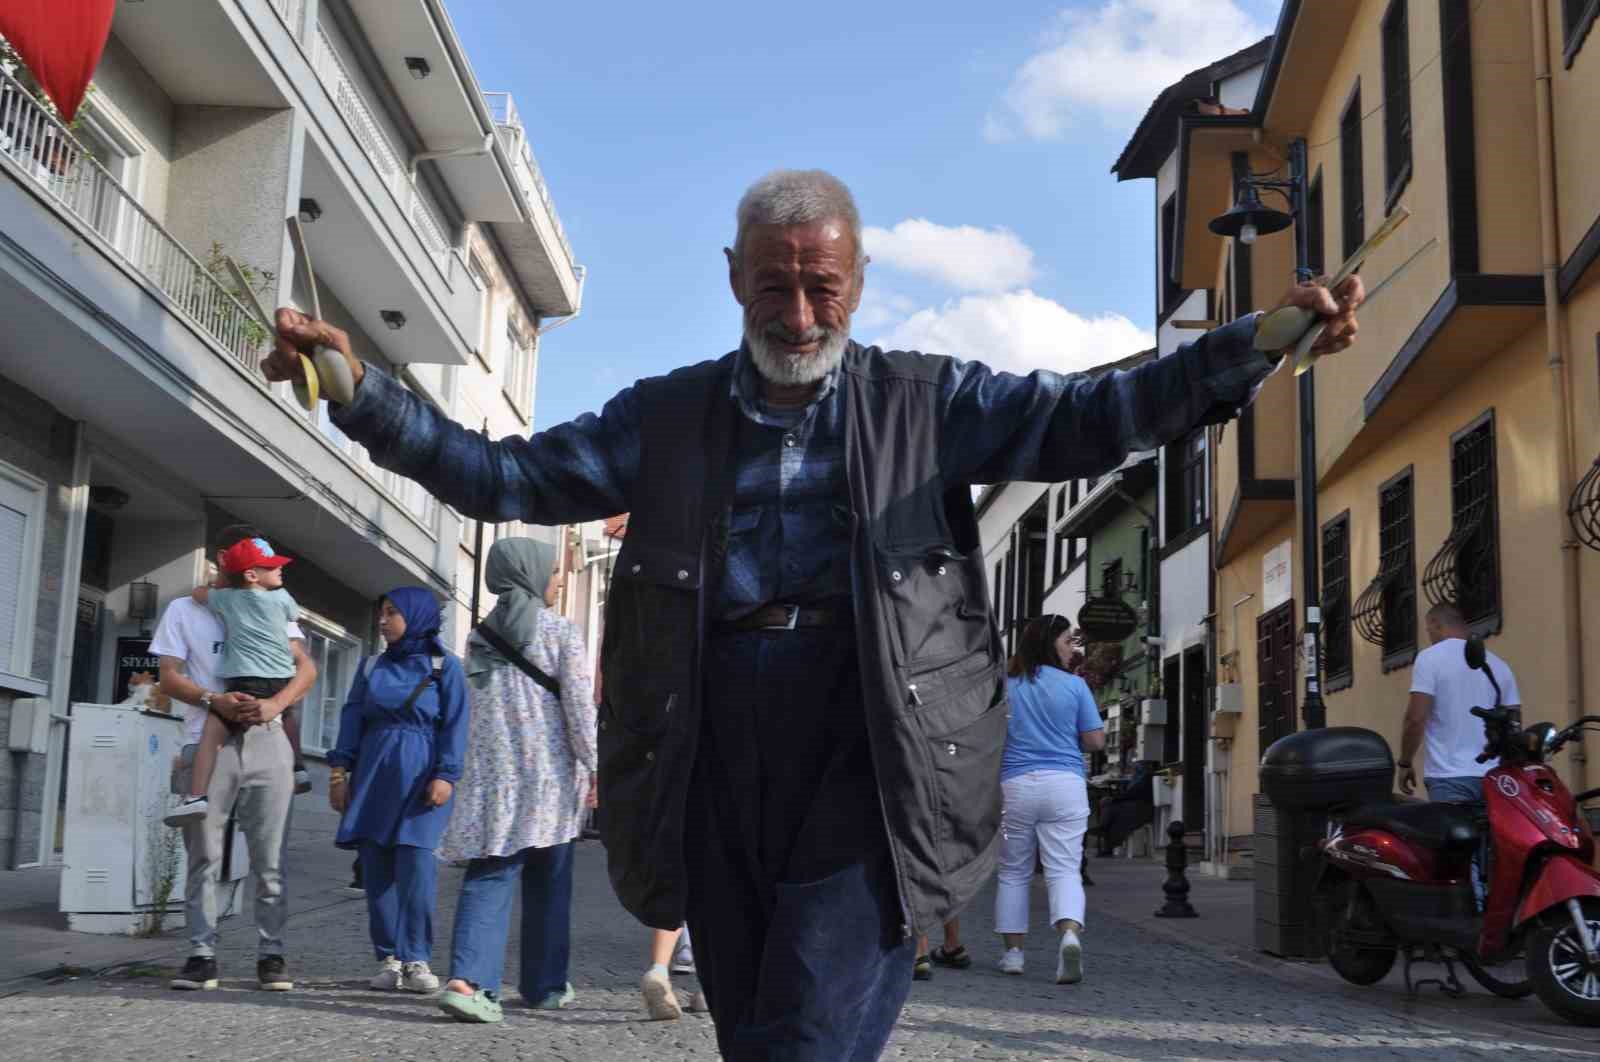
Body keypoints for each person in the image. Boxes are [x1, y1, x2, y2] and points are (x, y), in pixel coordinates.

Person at [264, 169, 1363, 1060]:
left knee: (806, 1017)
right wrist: (364, 397)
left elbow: (1093, 417)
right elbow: (499, 476)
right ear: (734, 278)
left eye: (821, 290)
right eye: (773, 289)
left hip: (871, 736)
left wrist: (1250, 344)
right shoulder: (668, 416)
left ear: (860, 282)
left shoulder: (928, 402)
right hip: (707, 732)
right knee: (755, 1024)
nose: (798, 316)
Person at [435, 539, 597, 1023]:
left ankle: (467, 981)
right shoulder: (559, 632)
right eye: (552, 571)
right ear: (528, 574)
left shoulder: (480, 636)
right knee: (551, 882)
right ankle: (544, 986)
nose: (558, 579)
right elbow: (579, 709)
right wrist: (597, 765)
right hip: (549, 781)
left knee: (490, 874)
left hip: (495, 780)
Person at [153, 524, 317, 993]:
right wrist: (211, 699)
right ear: (228, 559)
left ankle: (272, 954)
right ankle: (201, 955)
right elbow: (167, 677)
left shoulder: (272, 603)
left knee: (270, 859)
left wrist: (275, 705)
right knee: (204, 855)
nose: (267, 565)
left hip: (267, 735)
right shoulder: (185, 608)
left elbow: (304, 667)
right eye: (260, 559)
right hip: (206, 739)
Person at [329, 588, 469, 995]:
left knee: (417, 867)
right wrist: (339, 774)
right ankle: (389, 957)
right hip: (374, 775)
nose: (383, 620)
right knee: (376, 869)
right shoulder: (371, 666)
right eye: (382, 612)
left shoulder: (446, 667)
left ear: (417, 616)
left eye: (393, 613)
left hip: (424, 774)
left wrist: (446, 774)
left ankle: (417, 957)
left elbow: (456, 725)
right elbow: (352, 718)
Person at [994, 616, 1105, 983]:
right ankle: (1070, 935)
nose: (1073, 647)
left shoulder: (1006, 686)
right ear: (1050, 643)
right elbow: (1095, 741)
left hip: (1016, 785)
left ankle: (1013, 954)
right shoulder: (1075, 687)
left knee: (1013, 872)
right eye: (1067, 640)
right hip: (1064, 785)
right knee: (1064, 869)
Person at [165, 536, 299, 825]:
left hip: (246, 681)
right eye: (271, 566)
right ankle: (299, 766)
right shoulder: (282, 599)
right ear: (252, 574)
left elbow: (199, 594)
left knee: (212, 733)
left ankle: (196, 797)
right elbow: (303, 662)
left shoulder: (228, 600)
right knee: (287, 713)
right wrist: (276, 703)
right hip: (279, 680)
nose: (278, 570)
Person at [1397, 601, 1521, 908]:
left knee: (1453, 856)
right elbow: (1515, 723)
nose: (1429, 636)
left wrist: (1405, 761)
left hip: (1449, 777)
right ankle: (1490, 921)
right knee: (1489, 852)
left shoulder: (1430, 659)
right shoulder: (1498, 664)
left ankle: (1458, 925)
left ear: (1437, 625)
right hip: (1494, 777)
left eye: (1429, 630)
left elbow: (1416, 717)